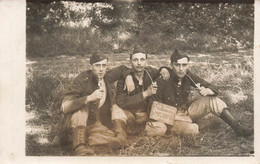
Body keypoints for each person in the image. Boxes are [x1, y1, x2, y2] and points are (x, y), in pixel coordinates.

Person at [146, 49, 253, 137]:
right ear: (171, 65)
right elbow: (153, 108)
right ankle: (194, 125)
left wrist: (208, 90)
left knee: (212, 100)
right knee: (193, 130)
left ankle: (239, 129)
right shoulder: (163, 79)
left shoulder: (187, 76)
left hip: (184, 112)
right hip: (167, 119)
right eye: (177, 65)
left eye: (184, 65)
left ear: (188, 65)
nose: (181, 69)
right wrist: (178, 117)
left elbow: (213, 87)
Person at [60, 53, 134, 156]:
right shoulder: (82, 80)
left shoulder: (107, 75)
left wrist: (128, 77)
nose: (101, 69)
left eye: (104, 65)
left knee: (116, 108)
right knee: (81, 110)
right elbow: (65, 106)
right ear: (91, 67)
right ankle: (79, 146)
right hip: (81, 122)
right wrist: (89, 98)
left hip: (98, 122)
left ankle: (120, 138)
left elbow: (123, 69)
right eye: (97, 65)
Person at [110, 46, 169, 148]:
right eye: (135, 60)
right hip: (130, 114)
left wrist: (164, 69)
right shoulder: (123, 78)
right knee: (115, 108)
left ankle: (131, 130)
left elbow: (162, 71)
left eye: (142, 60)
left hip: (145, 117)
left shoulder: (151, 73)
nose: (139, 63)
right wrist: (145, 94)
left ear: (146, 61)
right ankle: (121, 137)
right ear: (130, 62)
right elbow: (121, 102)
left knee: (161, 128)